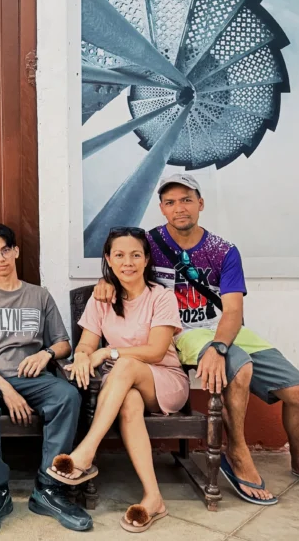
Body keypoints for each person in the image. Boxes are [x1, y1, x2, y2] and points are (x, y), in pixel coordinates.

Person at [91, 174, 299, 505]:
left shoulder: (223, 251)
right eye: (170, 202)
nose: (178, 208)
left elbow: (232, 312)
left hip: (225, 329)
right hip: (178, 330)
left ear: (200, 204)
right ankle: (238, 453)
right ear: (161, 209)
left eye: (186, 200)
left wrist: (218, 345)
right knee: (239, 369)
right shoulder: (151, 243)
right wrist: (105, 281)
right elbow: (123, 260)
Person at [0, 224, 93, 534]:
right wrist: (6, 390)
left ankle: (48, 488)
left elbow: (63, 344)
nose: (0, 257)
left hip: (32, 377)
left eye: (5, 250)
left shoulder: (39, 295)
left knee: (67, 396)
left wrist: (46, 354)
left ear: (16, 251)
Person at [48, 227, 187, 533]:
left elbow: (155, 351)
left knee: (123, 366)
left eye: (136, 255)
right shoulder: (102, 299)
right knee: (129, 405)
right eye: (120, 255)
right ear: (108, 259)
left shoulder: (161, 297)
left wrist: (107, 353)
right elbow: (86, 344)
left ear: (146, 259)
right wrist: (85, 355)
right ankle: (154, 498)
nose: (128, 262)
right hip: (125, 388)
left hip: (165, 381)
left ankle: (86, 453)